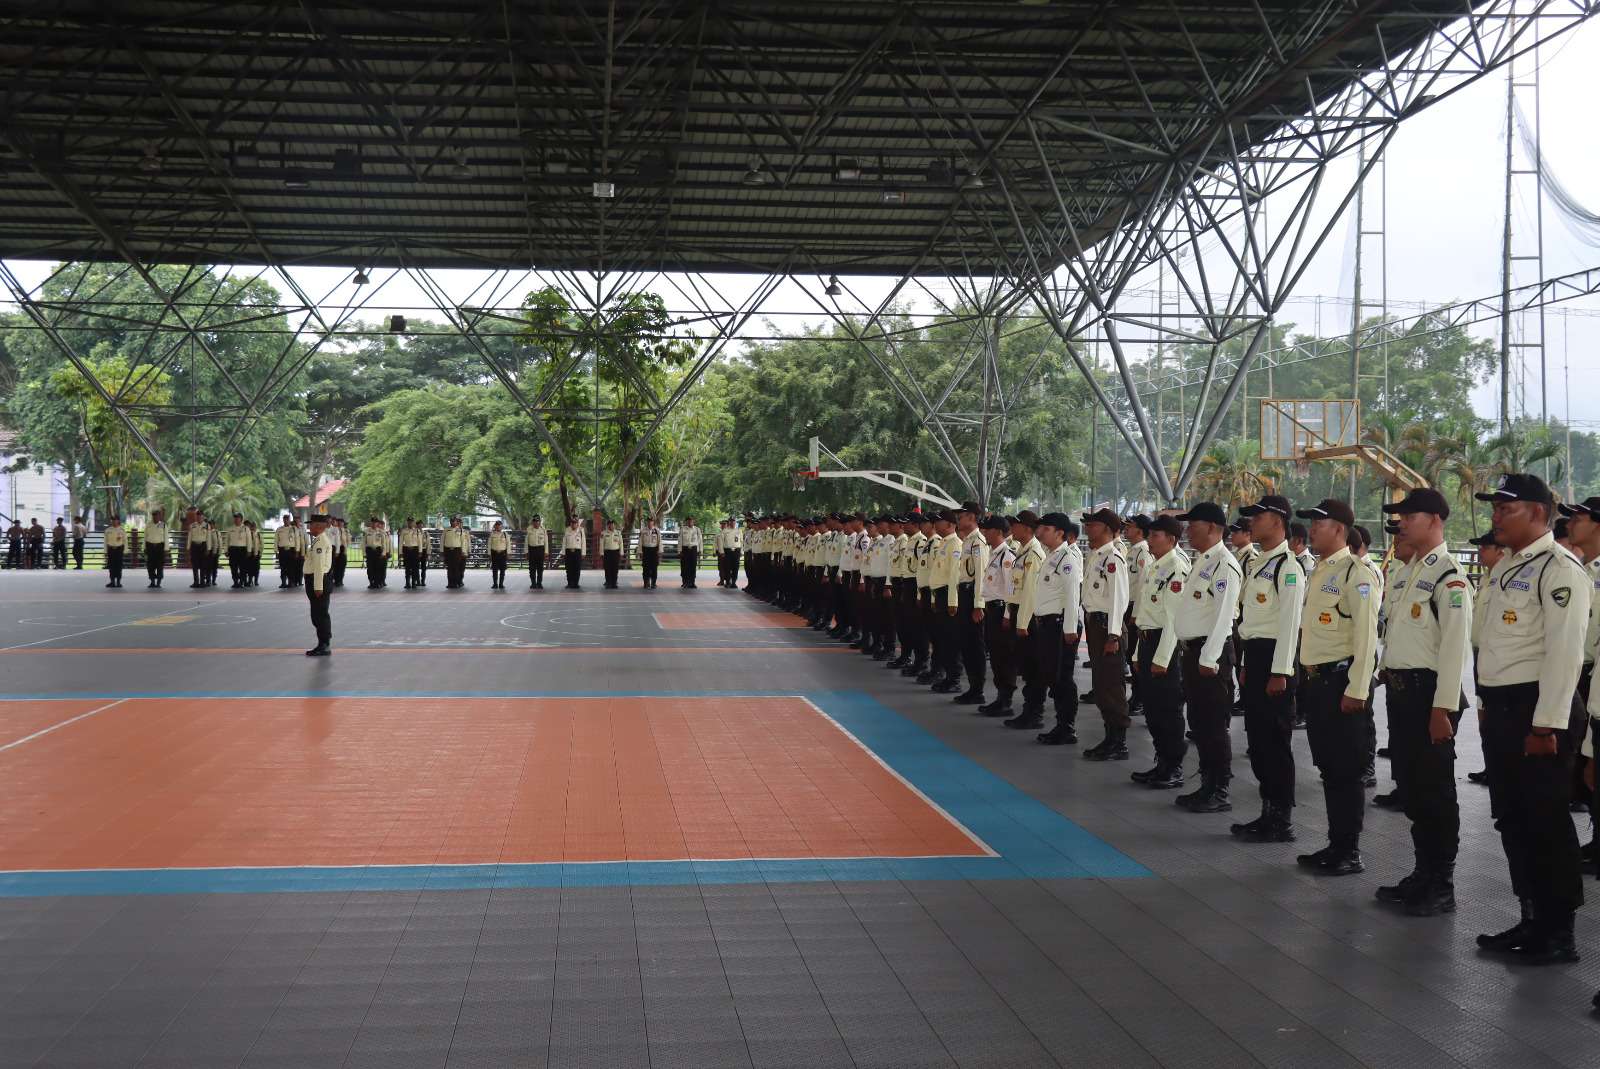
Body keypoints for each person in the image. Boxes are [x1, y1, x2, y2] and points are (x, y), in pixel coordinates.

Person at [1474, 472, 1590, 965]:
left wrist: (1545, 726)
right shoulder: (1507, 566)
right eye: (1495, 508)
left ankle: (1559, 932)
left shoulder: (1559, 568)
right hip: (1504, 709)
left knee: (1545, 822)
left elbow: (1565, 655)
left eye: (1507, 507)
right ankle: (1531, 916)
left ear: (1539, 513)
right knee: (1512, 820)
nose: (1496, 516)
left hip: (1538, 714)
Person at [1375, 487, 1471, 915]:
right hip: (1401, 694)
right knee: (1412, 788)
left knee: (1435, 792)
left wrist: (1442, 708)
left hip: (1427, 696)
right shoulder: (1409, 571)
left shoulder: (1448, 575)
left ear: (1433, 519)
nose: (1401, 523)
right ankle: (1422, 872)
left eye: (1408, 516)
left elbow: (1454, 648)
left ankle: (1441, 883)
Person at [1293, 498, 1381, 877]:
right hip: (1317, 681)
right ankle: (1336, 843)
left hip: (1341, 683)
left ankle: (1350, 850)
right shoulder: (1319, 571)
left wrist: (1357, 690)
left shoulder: (1355, 574)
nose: (1312, 529)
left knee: (1346, 770)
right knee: (1329, 766)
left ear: (1340, 530)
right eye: (1311, 523)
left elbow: (1366, 639)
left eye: (1319, 523)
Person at [1231, 495, 1306, 843]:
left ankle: (1281, 818)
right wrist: (1246, 663)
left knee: (1275, 742)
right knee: (1258, 741)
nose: (1251, 524)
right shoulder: (1261, 563)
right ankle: (1267, 812)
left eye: (1257, 518)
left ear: (1276, 520)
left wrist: (1281, 672)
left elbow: (1290, 625)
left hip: (1276, 660)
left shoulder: (1287, 567)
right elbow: (1251, 619)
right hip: (1257, 657)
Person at [1166, 502, 1243, 812]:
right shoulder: (1204, 561)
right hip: (1195, 652)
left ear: (1212, 528)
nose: (1187, 530)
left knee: (1212, 724)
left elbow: (1225, 617)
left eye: (1193, 524)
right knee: (1199, 721)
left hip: (1209, 656)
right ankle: (1207, 782)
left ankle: (1219, 789)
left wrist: (1208, 658)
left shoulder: (1224, 563)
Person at [1133, 514, 1190, 789]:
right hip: (1147, 641)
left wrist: (1162, 658)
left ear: (1172, 539)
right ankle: (1162, 763)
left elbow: (1173, 619)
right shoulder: (1156, 567)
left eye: (1156, 536)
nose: (1150, 540)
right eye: (1150, 535)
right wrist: (1135, 653)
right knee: (1153, 710)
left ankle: (1173, 767)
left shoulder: (1176, 569)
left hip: (1162, 646)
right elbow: (1146, 613)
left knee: (1168, 710)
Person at [1014, 512, 1081, 742]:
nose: (1041, 531)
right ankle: (1061, 725)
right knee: (1052, 675)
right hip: (1047, 624)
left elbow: (1073, 595)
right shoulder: (1051, 557)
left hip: (1060, 625)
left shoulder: (1067, 559)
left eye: (1046, 528)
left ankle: (1067, 727)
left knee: (1063, 677)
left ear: (1060, 533)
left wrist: (1070, 628)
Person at [1080, 508, 1131, 760]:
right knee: (1101, 684)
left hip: (1107, 628)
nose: (1088, 528)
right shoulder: (1096, 556)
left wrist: (1113, 636)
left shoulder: (1113, 558)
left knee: (1111, 685)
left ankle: (1118, 742)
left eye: (1093, 525)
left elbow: (1119, 600)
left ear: (1108, 530)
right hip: (1096, 626)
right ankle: (1109, 736)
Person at [974, 515, 1019, 718]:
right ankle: (1000, 697)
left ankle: (1006, 700)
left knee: (1004, 655)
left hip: (1002, 610)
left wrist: (1008, 615)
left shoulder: (1007, 556)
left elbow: (1012, 589)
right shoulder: (993, 553)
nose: (984, 532)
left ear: (999, 532)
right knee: (995, 653)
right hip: (992, 608)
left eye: (988, 529)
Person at [951, 503, 990, 704]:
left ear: (972, 517)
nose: (958, 520)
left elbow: (981, 575)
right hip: (964, 594)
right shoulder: (967, 541)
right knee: (966, 643)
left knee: (974, 645)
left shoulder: (978, 542)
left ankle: (978, 689)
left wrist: (978, 605)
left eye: (961, 516)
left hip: (972, 596)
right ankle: (972, 687)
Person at [1123, 515, 1153, 715]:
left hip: (1136, 608)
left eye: (1130, 526)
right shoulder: (1133, 550)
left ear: (1140, 530)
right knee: (1129, 653)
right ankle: (1137, 694)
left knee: (1136, 654)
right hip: (1128, 605)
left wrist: (1136, 614)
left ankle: (1140, 697)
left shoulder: (1143, 551)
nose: (1126, 529)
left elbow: (1143, 586)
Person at [303, 512, 335, 656]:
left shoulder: (320, 541)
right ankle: (322, 643)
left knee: (320, 614)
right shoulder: (318, 540)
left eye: (311, 524)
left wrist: (318, 586)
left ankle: (324, 645)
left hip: (319, 581)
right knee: (317, 614)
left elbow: (319, 565)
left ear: (318, 526)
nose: (309, 527)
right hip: (317, 580)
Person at [441, 516, 469, 589]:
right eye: (452, 521)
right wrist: (442, 551)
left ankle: (456, 583)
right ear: (450, 522)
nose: (453, 523)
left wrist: (463, 551)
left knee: (456, 567)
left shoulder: (461, 531)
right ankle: (450, 583)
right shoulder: (446, 530)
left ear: (457, 522)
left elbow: (463, 542)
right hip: (448, 550)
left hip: (457, 550)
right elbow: (442, 541)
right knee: (449, 567)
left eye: (455, 521)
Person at [363, 516, 391, 589]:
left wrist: (383, 553)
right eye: (373, 522)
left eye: (375, 522)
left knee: (378, 568)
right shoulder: (366, 531)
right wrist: (364, 553)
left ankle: (377, 582)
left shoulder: (381, 531)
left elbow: (384, 543)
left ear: (377, 523)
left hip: (378, 551)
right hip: (369, 551)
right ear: (371, 523)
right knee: (370, 568)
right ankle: (371, 582)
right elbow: (363, 543)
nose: (374, 524)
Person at [144, 509, 168, 588]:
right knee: (150, 565)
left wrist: (166, 549)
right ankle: (152, 582)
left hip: (160, 547)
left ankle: (158, 582)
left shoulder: (163, 525)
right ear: (152, 516)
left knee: (159, 565)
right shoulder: (148, 525)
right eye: (154, 516)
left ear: (159, 516)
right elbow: (145, 537)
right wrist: (144, 547)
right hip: (150, 547)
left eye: (157, 516)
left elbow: (166, 538)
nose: (156, 517)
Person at [187, 513, 211, 588]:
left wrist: (208, 548)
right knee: (195, 565)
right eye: (197, 517)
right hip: (194, 546)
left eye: (200, 517)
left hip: (203, 546)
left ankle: (202, 582)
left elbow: (209, 538)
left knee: (203, 565)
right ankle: (196, 582)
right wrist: (188, 548)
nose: (199, 518)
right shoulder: (192, 525)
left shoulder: (207, 526)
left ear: (203, 517)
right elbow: (189, 537)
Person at [276, 513, 300, 588]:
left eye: (287, 519)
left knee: (291, 567)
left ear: (290, 520)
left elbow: (297, 540)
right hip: (282, 550)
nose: (286, 521)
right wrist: (276, 551)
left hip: (291, 550)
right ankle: (283, 582)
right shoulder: (279, 529)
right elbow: (276, 540)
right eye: (285, 519)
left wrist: (297, 551)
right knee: (283, 567)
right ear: (283, 520)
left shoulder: (293, 529)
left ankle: (291, 582)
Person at [102, 514, 126, 588]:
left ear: (118, 521)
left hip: (119, 549)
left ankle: (118, 582)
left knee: (118, 566)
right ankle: (112, 581)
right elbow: (105, 542)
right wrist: (105, 552)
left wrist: (125, 551)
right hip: (111, 550)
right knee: (111, 566)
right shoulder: (108, 530)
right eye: (112, 520)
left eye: (115, 520)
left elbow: (125, 541)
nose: (114, 521)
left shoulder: (122, 530)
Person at [562, 516, 585, 589]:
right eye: (572, 523)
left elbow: (583, 542)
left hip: (577, 551)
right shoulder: (567, 530)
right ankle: (569, 583)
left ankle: (576, 583)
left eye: (575, 523)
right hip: (568, 551)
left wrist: (583, 553)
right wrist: (563, 553)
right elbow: (564, 542)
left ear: (577, 524)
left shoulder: (581, 530)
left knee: (577, 568)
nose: (573, 524)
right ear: (570, 524)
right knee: (569, 568)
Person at [679, 516, 702, 588]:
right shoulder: (683, 529)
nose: (690, 522)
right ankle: (685, 582)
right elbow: (680, 540)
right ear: (686, 522)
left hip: (693, 549)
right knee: (685, 566)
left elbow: (700, 541)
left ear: (693, 521)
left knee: (693, 566)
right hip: (685, 549)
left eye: (691, 521)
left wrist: (700, 550)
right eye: (688, 521)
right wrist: (679, 550)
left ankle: (692, 582)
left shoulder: (697, 529)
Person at [400, 518, 423, 589]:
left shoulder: (417, 531)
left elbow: (420, 542)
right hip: (407, 550)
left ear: (413, 523)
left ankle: (414, 583)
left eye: (411, 522)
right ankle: (407, 583)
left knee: (415, 568)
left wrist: (420, 551)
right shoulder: (404, 531)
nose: (410, 523)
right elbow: (401, 542)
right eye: (409, 522)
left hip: (415, 550)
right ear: (407, 523)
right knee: (407, 567)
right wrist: (400, 552)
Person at [525, 515, 548, 589]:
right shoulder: (529, 529)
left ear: (540, 522)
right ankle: (533, 583)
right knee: (532, 568)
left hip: (540, 550)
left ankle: (539, 583)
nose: (536, 523)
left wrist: (546, 552)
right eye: (534, 522)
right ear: (532, 522)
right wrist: (526, 552)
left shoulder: (543, 530)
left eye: (537, 521)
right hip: (532, 550)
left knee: (540, 568)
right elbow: (526, 542)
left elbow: (546, 542)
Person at [638, 516, 661, 589]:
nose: (650, 523)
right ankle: (646, 582)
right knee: (646, 567)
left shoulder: (657, 531)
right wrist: (640, 552)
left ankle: (653, 583)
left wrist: (660, 551)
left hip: (654, 551)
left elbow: (660, 542)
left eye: (651, 521)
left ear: (653, 522)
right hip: (646, 550)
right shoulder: (643, 531)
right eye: (648, 521)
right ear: (647, 522)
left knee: (654, 567)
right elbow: (640, 542)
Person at [488, 521, 510, 589]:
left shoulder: (505, 534)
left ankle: (501, 584)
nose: (498, 527)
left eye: (499, 526)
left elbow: (508, 544)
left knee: (502, 570)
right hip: (494, 553)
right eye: (497, 525)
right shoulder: (492, 534)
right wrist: (489, 554)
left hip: (502, 554)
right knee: (494, 570)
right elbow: (489, 544)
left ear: (501, 527)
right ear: (495, 526)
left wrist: (508, 553)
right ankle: (495, 584)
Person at [601, 520, 622, 588]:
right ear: (607, 525)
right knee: (607, 568)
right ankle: (608, 583)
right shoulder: (604, 533)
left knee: (615, 569)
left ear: (614, 525)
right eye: (609, 524)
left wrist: (621, 553)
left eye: (612, 524)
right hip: (607, 553)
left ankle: (614, 583)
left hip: (615, 552)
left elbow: (621, 543)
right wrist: (601, 553)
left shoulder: (618, 533)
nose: (611, 526)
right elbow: (601, 544)